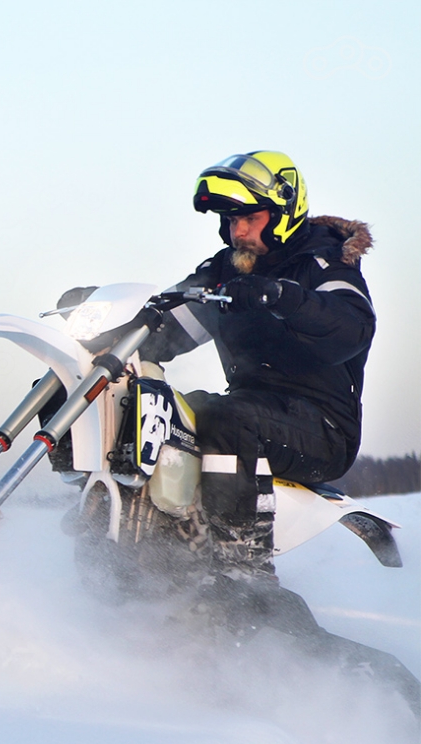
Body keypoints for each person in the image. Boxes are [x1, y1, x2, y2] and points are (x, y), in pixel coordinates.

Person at [140, 151, 375, 586]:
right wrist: (109, 323)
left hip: (322, 428)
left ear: (283, 211)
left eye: (249, 217)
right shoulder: (226, 271)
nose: (238, 230)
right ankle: (158, 549)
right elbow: (168, 324)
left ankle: (243, 570)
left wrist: (281, 297)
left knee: (223, 417)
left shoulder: (324, 261)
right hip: (253, 410)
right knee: (163, 411)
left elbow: (351, 328)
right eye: (230, 220)